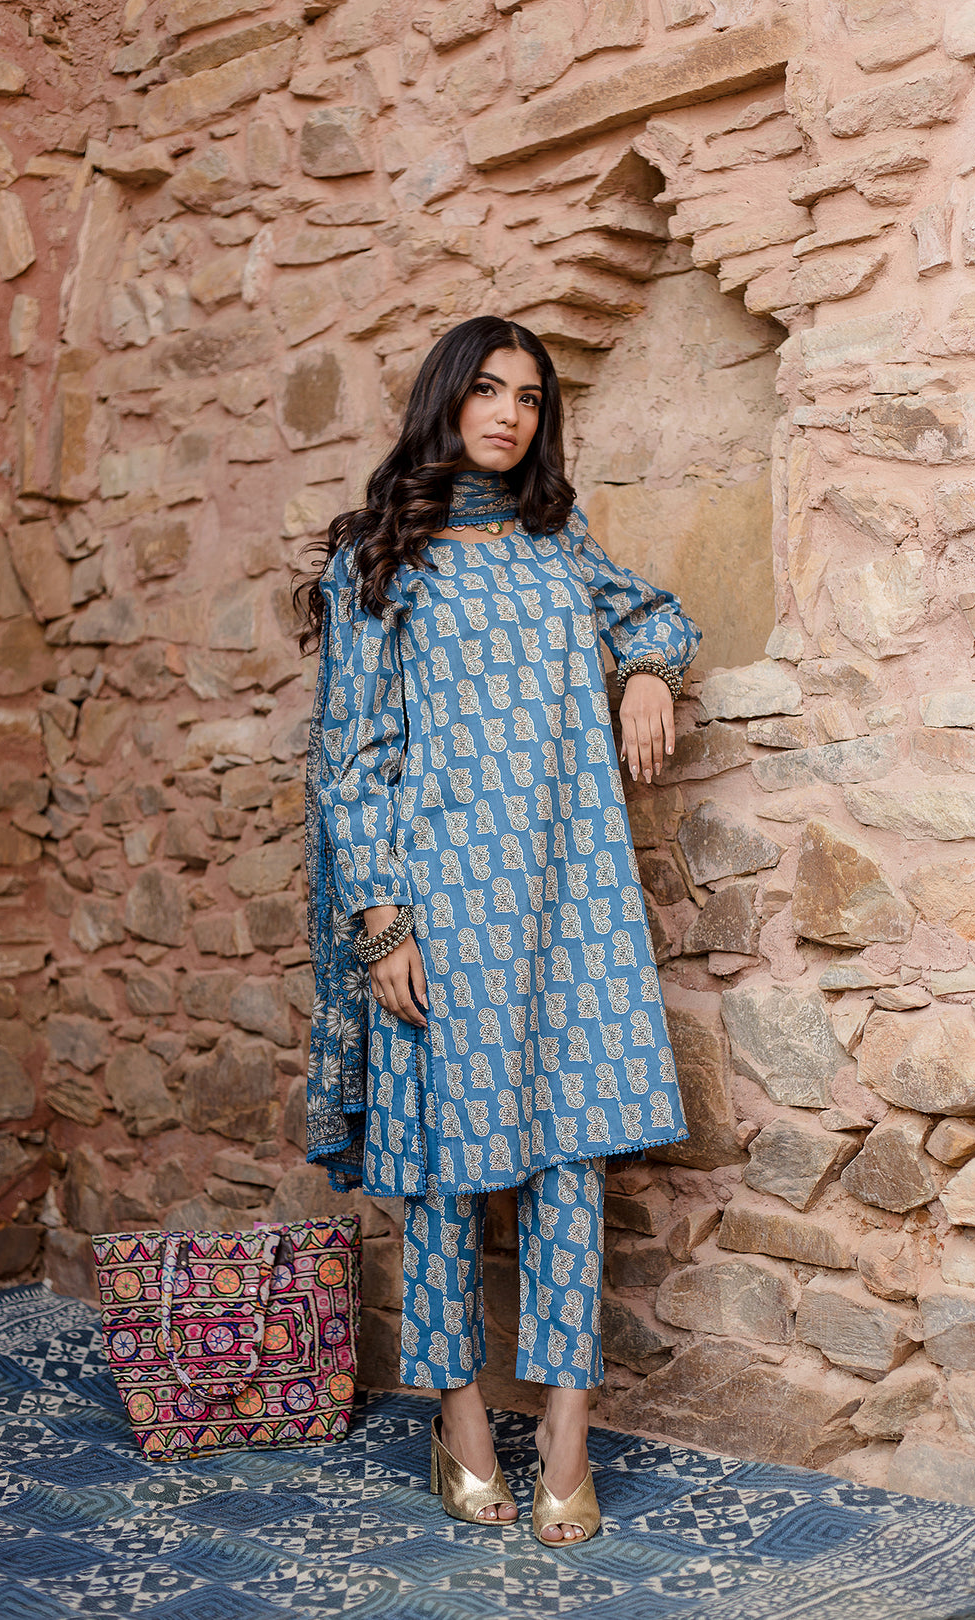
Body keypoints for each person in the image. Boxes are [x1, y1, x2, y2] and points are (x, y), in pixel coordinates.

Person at [300, 315, 701, 1546]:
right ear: (445, 400)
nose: (509, 414)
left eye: (529, 397)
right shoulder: (379, 558)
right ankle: (462, 1421)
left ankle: (568, 1429)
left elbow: (657, 616)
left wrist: (645, 672)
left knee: (571, 1159)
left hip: (572, 900)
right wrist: (383, 925)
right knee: (443, 1173)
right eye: (486, 389)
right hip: (443, 905)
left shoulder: (554, 539)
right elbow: (352, 759)